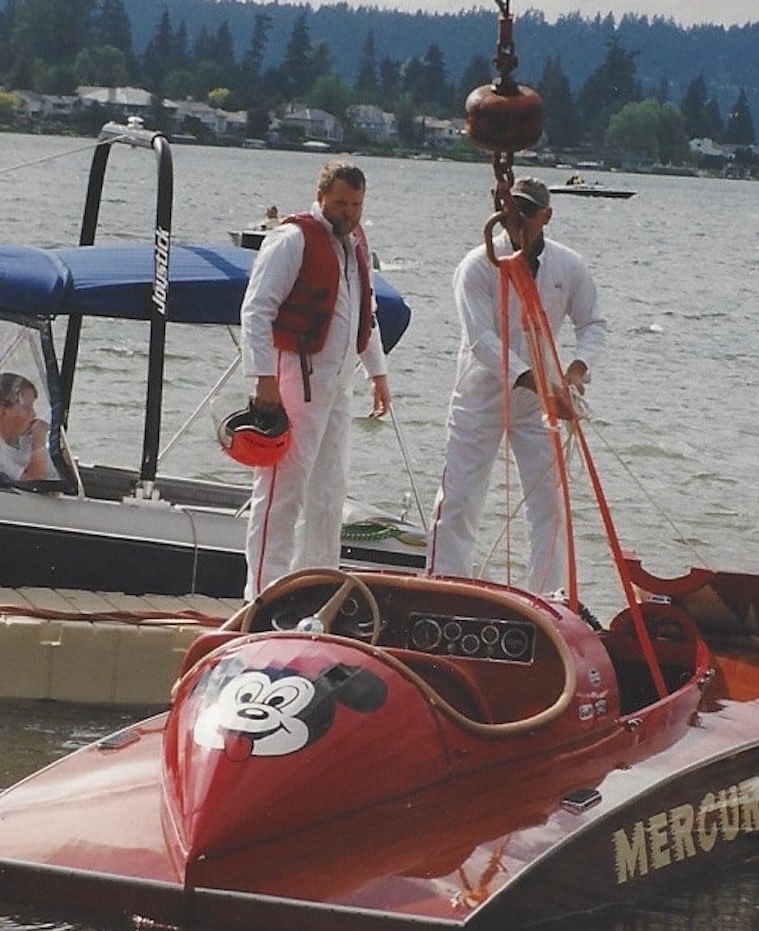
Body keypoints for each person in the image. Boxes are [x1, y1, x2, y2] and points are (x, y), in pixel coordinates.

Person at [427, 177, 608, 593]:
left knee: (552, 507)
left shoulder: (568, 266)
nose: (517, 220)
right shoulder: (477, 265)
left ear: (546, 216)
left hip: (538, 404)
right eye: (510, 210)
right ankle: (446, 588)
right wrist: (536, 381)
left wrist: (576, 371)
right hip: (480, 398)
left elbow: (593, 323)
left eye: (527, 212)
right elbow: (482, 340)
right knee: (459, 502)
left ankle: (546, 596)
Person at [237, 160, 392, 601]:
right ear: (321, 196)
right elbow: (257, 310)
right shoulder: (291, 239)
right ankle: (260, 593)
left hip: (338, 383)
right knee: (281, 489)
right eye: (341, 202)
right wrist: (263, 379)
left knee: (329, 491)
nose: (349, 212)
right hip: (296, 377)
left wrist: (377, 372)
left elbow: (367, 313)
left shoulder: (357, 243)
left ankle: (317, 586)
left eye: (357, 204)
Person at [0, 372, 58, 482]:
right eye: (26, 408)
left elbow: (56, 477)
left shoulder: (28, 442)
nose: (33, 414)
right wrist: (39, 439)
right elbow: (35, 482)